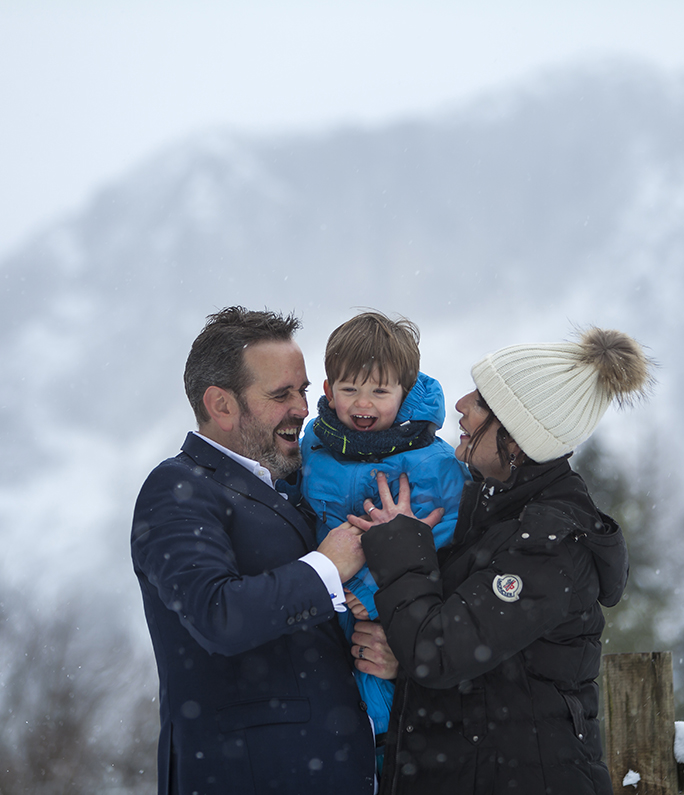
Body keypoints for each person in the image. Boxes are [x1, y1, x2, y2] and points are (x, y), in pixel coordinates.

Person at [350, 327, 653, 794]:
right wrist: (404, 659)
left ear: (516, 438)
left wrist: (398, 546)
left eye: (483, 400)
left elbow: (440, 650)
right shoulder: (492, 515)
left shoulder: (549, 546)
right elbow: (485, 663)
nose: (461, 405)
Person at [131, 306, 386, 795]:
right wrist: (326, 567)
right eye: (281, 394)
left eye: (304, 390)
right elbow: (220, 615)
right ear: (221, 405)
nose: (302, 409)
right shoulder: (177, 488)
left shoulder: (296, 489)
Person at [299, 311, 467, 754]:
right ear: (328, 391)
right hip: (325, 601)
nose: (363, 404)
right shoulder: (314, 443)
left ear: (405, 391)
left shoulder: (433, 462)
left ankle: (383, 752)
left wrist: (374, 586)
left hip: (391, 608)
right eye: (350, 389)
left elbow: (445, 536)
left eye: (379, 390)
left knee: (382, 706)